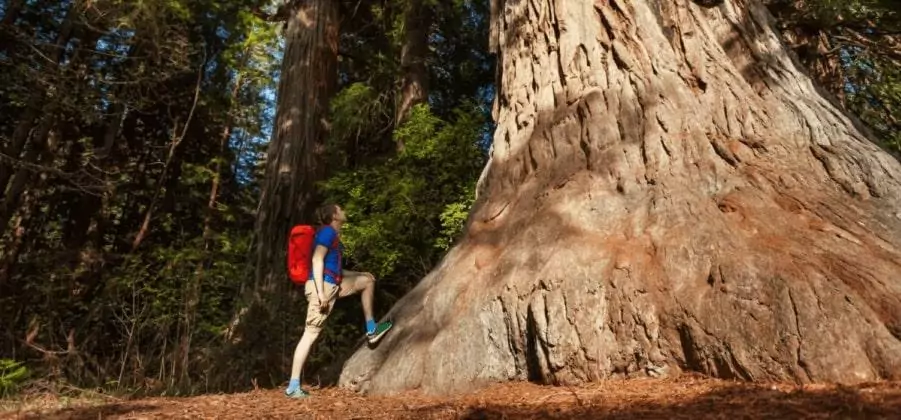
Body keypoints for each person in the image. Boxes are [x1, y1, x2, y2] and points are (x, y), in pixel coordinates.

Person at [285, 203, 393, 398]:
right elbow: (317, 260)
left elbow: (335, 270)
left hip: (332, 284)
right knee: (310, 334)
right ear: (334, 216)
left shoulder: (332, 236)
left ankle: (371, 328)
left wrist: (359, 273)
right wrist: (320, 294)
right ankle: (293, 386)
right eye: (340, 209)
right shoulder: (327, 233)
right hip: (323, 287)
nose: (344, 211)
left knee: (367, 281)